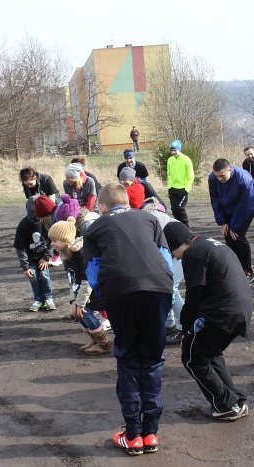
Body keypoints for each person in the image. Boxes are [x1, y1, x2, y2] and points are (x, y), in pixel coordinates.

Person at [83, 183, 173, 456]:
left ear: (101, 206)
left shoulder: (94, 228)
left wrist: (109, 297)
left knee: (128, 358)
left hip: (121, 291)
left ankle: (133, 434)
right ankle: (151, 433)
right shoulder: (149, 217)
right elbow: (165, 259)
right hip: (158, 288)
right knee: (152, 358)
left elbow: (93, 272)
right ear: (128, 202)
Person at [163, 222, 252, 421]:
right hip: (240, 310)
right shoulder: (210, 243)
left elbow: (194, 297)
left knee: (192, 358)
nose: (175, 257)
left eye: (172, 252)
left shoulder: (193, 254)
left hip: (221, 313)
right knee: (210, 354)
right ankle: (237, 401)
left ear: (177, 244)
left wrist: (185, 330)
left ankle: (225, 405)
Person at [48, 220, 112, 355]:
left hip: (96, 292)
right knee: (77, 312)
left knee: (84, 312)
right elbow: (73, 280)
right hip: (85, 292)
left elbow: (87, 280)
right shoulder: (66, 254)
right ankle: (95, 340)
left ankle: (104, 344)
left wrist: (80, 302)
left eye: (55, 240)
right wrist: (73, 300)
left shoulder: (80, 254)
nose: (52, 244)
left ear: (65, 240)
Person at [140, 197, 185, 345]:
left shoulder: (150, 219)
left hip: (181, 254)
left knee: (171, 288)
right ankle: (170, 324)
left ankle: (183, 327)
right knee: (168, 288)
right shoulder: (161, 216)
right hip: (177, 253)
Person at [208, 158, 254, 282]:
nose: (219, 179)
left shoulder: (243, 179)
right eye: (217, 176)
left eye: (222, 176)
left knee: (238, 235)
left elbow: (244, 205)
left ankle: (248, 271)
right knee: (227, 235)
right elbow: (215, 200)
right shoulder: (213, 178)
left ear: (230, 170)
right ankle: (236, 268)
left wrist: (235, 226)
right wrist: (223, 222)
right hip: (228, 206)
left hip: (248, 204)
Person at [14, 195, 56, 312]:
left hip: (43, 257)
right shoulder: (23, 225)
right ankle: (38, 299)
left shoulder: (46, 222)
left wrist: (47, 257)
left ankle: (48, 298)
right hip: (30, 259)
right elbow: (20, 248)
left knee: (44, 276)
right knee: (33, 277)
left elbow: (51, 241)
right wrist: (25, 266)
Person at [166, 139, 194, 226]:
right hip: (172, 189)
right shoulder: (170, 160)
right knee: (174, 209)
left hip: (182, 189)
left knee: (180, 208)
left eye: (175, 150)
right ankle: (179, 227)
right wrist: (169, 186)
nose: (173, 152)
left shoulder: (186, 160)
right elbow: (169, 174)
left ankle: (186, 228)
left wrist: (187, 189)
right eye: (172, 150)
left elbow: (190, 176)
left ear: (179, 149)